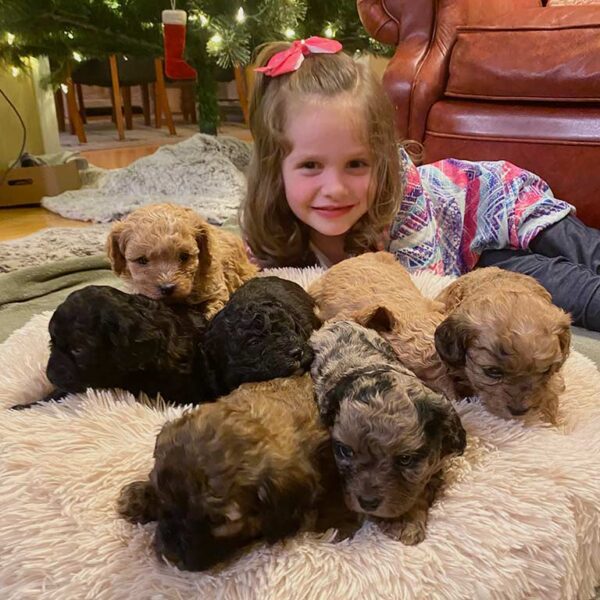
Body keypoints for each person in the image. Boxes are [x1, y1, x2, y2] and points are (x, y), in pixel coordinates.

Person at [240, 37, 600, 331]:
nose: (334, 187)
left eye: (356, 164)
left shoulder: (401, 192)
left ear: (380, 160)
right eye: (310, 165)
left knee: (587, 253)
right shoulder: (267, 228)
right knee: (575, 296)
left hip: (497, 200)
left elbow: (425, 293)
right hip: (476, 265)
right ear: (275, 169)